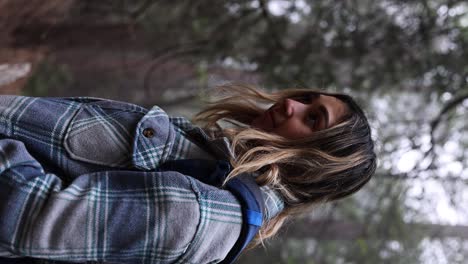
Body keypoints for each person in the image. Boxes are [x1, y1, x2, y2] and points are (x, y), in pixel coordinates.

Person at [0, 83, 376, 264]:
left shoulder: (206, 212)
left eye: (312, 119)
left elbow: (28, 216)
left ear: (317, 164)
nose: (291, 104)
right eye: (307, 98)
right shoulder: (210, 157)